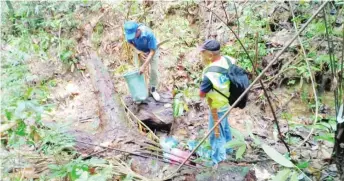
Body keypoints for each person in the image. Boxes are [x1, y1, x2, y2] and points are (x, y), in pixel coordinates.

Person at [199, 39, 236, 165]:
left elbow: (202, 94)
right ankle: (229, 149)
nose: (201, 55)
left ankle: (219, 160)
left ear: (210, 55)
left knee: (216, 134)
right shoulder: (228, 60)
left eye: (203, 53)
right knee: (224, 126)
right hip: (228, 101)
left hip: (217, 106)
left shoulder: (209, 74)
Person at [124, 21, 160, 101]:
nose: (132, 38)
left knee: (154, 70)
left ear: (137, 30)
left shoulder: (148, 34)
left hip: (152, 50)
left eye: (133, 35)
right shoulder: (129, 34)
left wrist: (144, 66)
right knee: (138, 71)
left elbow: (152, 52)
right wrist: (138, 51)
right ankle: (141, 92)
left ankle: (153, 88)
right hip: (140, 51)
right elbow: (129, 42)